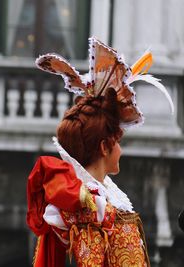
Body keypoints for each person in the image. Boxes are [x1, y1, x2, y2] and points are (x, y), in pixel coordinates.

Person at [26, 37, 174, 267]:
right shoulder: (84, 208)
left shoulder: (102, 200)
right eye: (117, 142)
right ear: (105, 147)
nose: (121, 151)